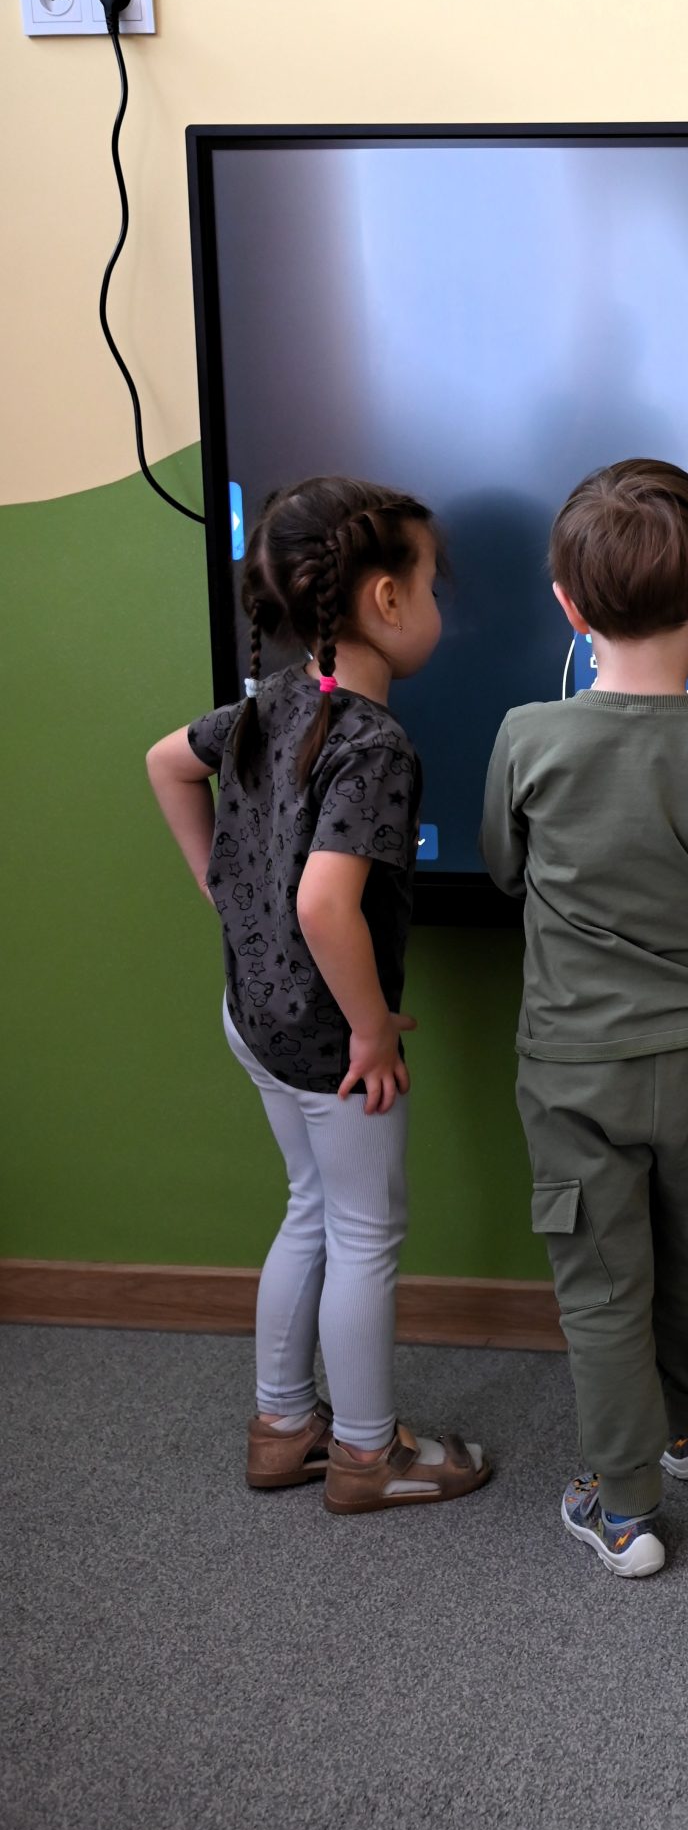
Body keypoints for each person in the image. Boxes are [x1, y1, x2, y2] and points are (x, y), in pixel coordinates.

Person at [480, 458, 688, 1578]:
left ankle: (623, 1509)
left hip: (572, 1064)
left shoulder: (527, 735)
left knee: (604, 1281)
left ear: (568, 608)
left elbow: (501, 868)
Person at [145, 474, 490, 1514]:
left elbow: (166, 763)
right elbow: (326, 904)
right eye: (430, 585)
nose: (436, 604)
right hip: (330, 1043)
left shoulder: (274, 701)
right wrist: (373, 1031)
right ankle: (366, 1456)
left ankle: (283, 1426)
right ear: (384, 599)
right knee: (366, 1235)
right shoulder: (373, 743)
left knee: (311, 1210)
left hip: (254, 1016)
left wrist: (225, 893)